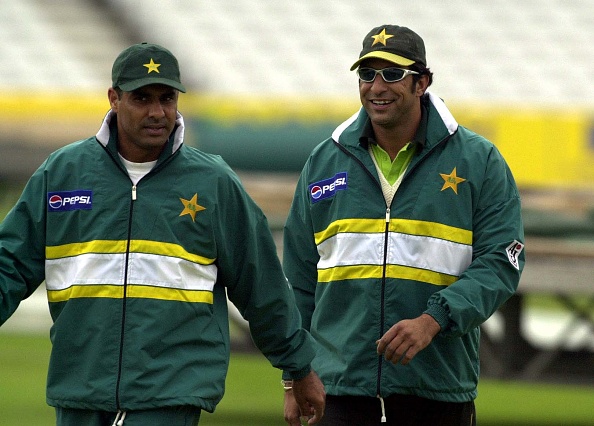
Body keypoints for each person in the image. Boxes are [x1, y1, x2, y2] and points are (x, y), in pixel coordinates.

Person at [0, 42, 325, 426]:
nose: (157, 112)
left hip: (170, 396)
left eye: (167, 98)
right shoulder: (62, 173)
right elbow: (10, 264)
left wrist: (297, 369)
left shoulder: (214, 182)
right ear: (114, 98)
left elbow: (262, 286)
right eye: (141, 98)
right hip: (80, 392)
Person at [282, 25, 524, 426]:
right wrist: (294, 378)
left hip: (437, 387)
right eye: (367, 74)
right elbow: (300, 279)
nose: (377, 86)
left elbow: (502, 262)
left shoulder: (480, 161)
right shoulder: (323, 162)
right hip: (339, 390)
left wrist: (433, 321)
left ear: (422, 83)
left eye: (392, 74)